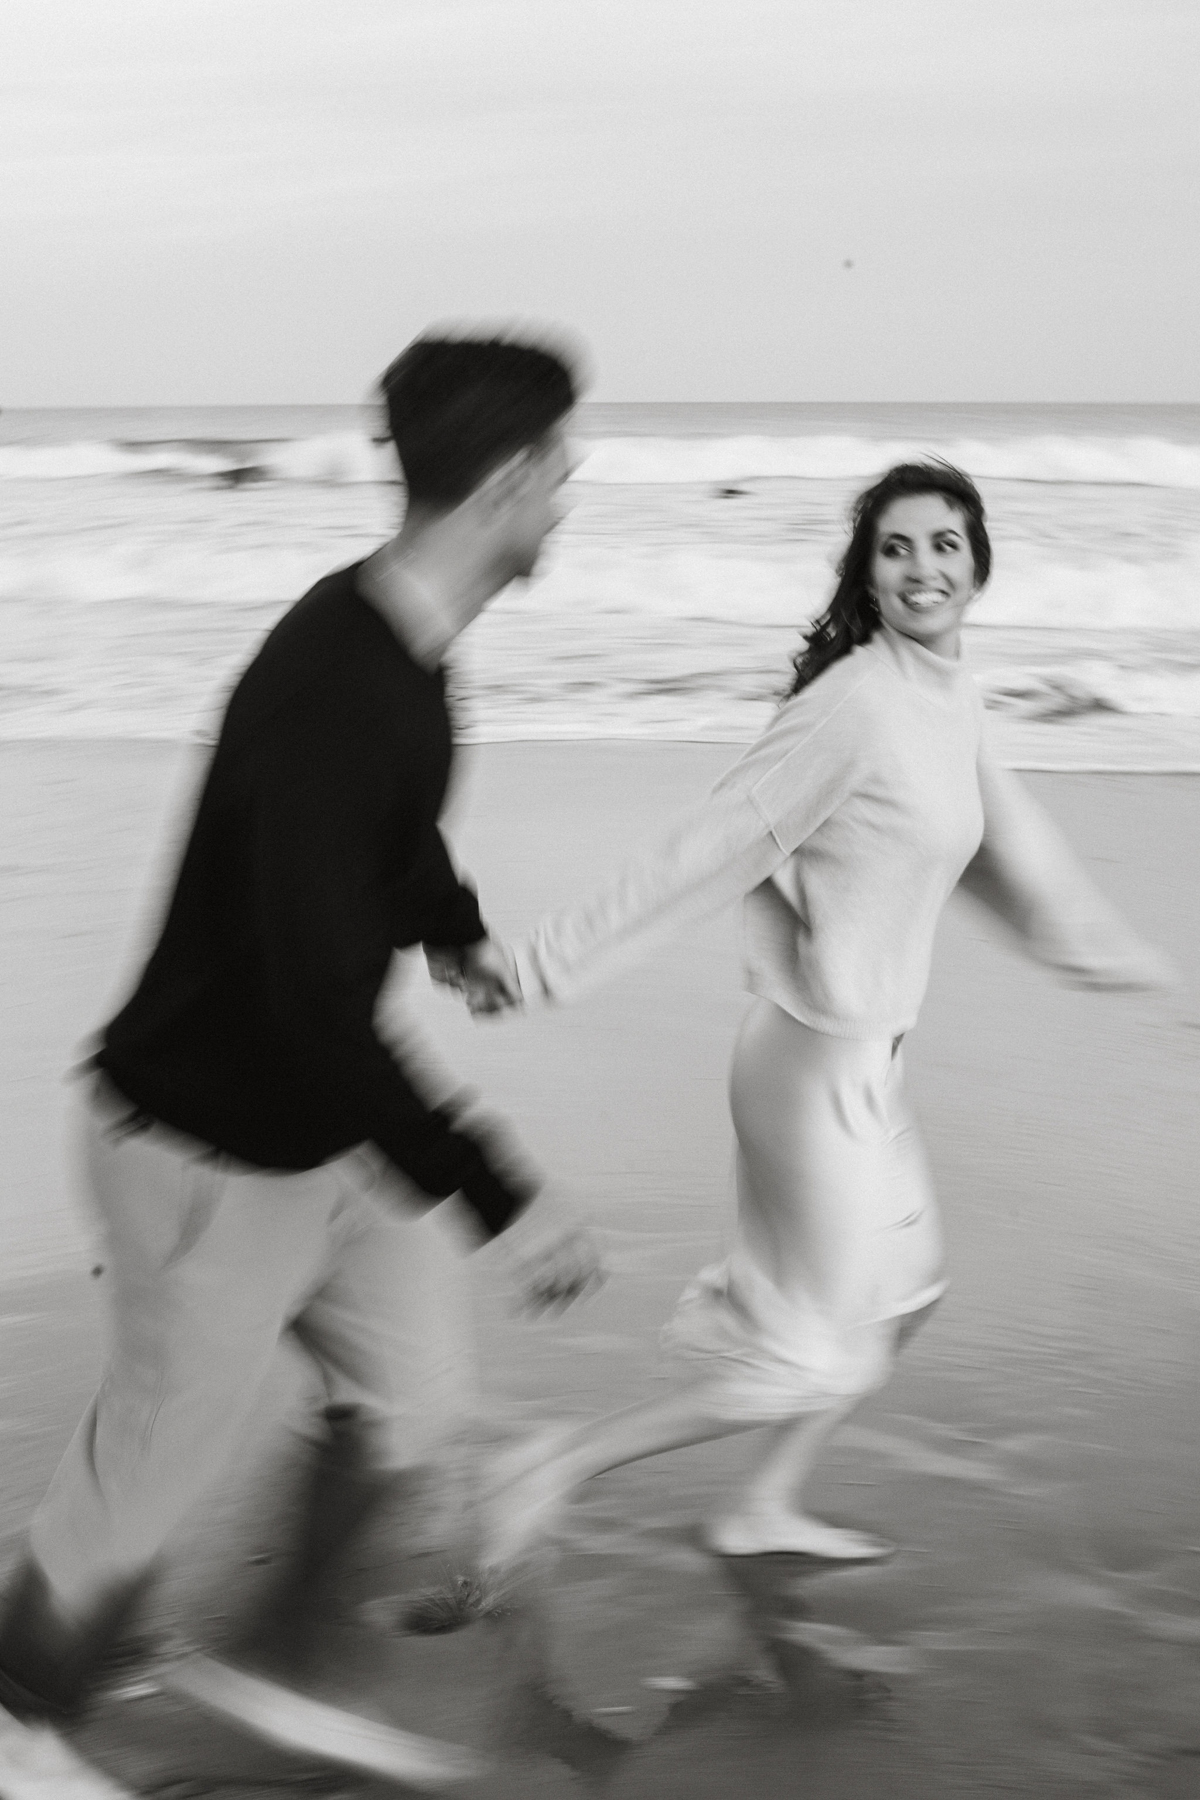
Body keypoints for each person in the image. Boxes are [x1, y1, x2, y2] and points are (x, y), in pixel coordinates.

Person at [0, 332, 603, 1726]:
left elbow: (378, 844)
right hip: (204, 1152)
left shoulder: (400, 644)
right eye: (562, 466)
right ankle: (23, 1722)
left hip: (321, 1133)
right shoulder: (336, 691)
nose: (571, 492)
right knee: (137, 1491)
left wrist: (449, 927)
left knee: (414, 1405)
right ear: (508, 480)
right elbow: (313, 1002)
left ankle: (274, 1658)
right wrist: (504, 1194)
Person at [463, 460, 1172, 1569]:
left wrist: (1117, 963)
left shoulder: (950, 697)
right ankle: (548, 1467)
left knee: (904, 1301)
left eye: (943, 544)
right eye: (896, 548)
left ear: (979, 563)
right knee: (806, 1359)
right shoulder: (854, 707)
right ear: (869, 572)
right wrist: (540, 963)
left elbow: (1007, 849)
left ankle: (759, 1506)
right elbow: (705, 848)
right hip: (806, 1070)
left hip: (866, 1069)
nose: (923, 567)